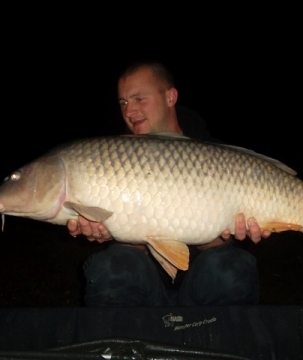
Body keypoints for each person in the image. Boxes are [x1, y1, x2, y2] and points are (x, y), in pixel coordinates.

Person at [67, 60, 271, 307]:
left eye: (139, 99)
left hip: (202, 283)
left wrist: (232, 234)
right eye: (123, 102)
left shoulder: (215, 154)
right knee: (112, 265)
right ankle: (129, 344)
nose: (129, 111)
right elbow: (138, 244)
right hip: (146, 286)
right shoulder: (118, 158)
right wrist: (110, 231)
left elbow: (220, 241)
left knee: (231, 267)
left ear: (170, 97)